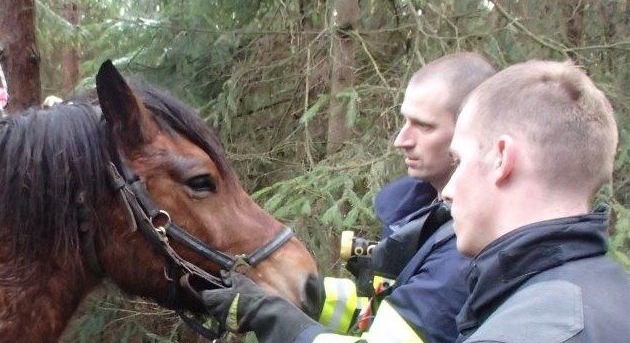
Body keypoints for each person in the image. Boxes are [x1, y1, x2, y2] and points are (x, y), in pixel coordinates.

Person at [201, 52, 496, 343]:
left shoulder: (467, 245)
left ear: (470, 132)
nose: (401, 140)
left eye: (425, 126)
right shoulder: (428, 214)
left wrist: (268, 314)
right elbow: (384, 315)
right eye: (405, 121)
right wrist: (309, 295)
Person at [441, 60, 630, 342]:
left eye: (458, 160)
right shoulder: (617, 294)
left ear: (501, 158)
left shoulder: (515, 334)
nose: (448, 190)